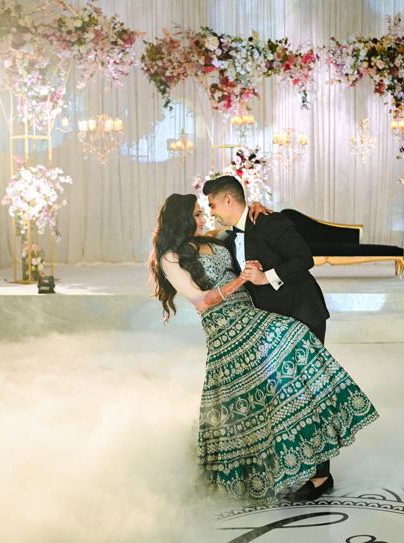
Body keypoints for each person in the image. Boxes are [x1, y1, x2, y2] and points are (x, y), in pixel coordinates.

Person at [149, 193, 378, 505]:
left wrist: (256, 205)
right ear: (183, 220)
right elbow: (200, 300)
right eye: (198, 215)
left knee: (292, 360)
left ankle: (314, 468)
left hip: (252, 317)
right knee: (239, 406)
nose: (205, 219)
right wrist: (239, 281)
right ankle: (251, 476)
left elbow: (243, 225)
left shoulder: (215, 239)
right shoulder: (170, 257)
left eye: (205, 213)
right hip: (225, 330)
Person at [202, 175, 335, 499]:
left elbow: (305, 259)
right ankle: (299, 466)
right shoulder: (228, 234)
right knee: (286, 400)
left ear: (229, 201)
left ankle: (321, 477)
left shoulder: (271, 222)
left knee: (306, 396)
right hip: (272, 327)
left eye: (213, 205)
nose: (212, 212)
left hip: (302, 316)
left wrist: (267, 277)